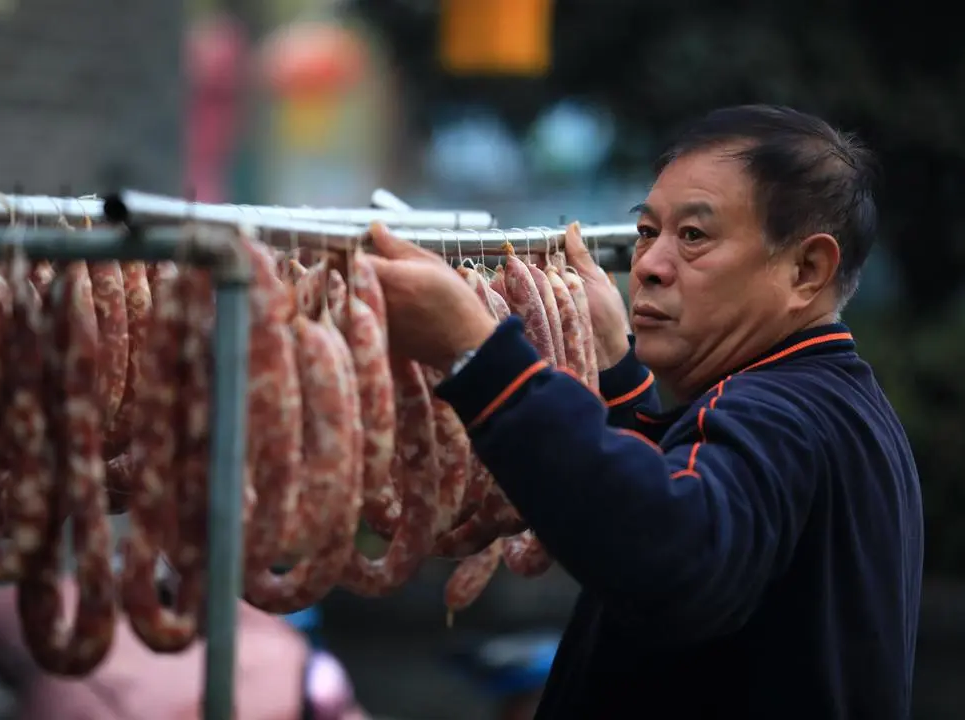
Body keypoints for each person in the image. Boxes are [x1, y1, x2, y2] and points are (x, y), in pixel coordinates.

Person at [366, 104, 922, 719]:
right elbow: (699, 506)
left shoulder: (782, 412)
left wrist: (482, 359)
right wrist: (623, 383)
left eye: (694, 237)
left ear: (806, 270)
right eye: (648, 232)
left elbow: (677, 560)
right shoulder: (831, 398)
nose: (649, 266)